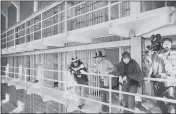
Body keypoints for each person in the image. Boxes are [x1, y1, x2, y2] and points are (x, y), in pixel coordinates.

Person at [151, 37, 176, 113]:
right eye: (165, 44)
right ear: (162, 44)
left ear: (171, 45)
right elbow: (153, 66)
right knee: (160, 102)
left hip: (169, 84)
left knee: (171, 105)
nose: (167, 45)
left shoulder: (174, 54)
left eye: (168, 44)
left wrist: (168, 74)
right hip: (158, 83)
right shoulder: (157, 54)